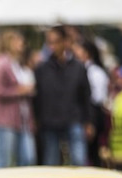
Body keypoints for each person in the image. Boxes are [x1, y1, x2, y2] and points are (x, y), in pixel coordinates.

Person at [34, 25, 92, 166]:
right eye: (50, 42)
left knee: (78, 160)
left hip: (73, 119)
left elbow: (85, 95)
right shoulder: (42, 68)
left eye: (56, 41)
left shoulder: (78, 67)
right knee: (51, 163)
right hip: (50, 122)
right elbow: (37, 97)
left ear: (65, 42)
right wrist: (37, 119)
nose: (52, 46)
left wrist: (88, 121)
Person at [0, 29, 36, 167]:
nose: (22, 44)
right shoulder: (2, 63)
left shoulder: (17, 63)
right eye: (18, 41)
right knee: (3, 159)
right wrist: (19, 91)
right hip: (6, 119)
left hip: (21, 118)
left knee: (26, 157)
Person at [74, 40, 109, 167]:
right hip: (85, 112)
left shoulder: (95, 72)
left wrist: (90, 120)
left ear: (86, 53)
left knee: (92, 151)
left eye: (78, 50)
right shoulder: (80, 70)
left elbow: (97, 98)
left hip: (93, 112)